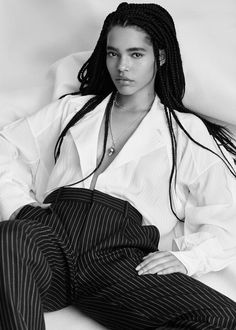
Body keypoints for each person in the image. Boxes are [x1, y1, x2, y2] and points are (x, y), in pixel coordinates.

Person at [0, 2, 236, 329]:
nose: (122, 66)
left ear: (161, 57)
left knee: (223, 317)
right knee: (9, 236)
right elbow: (5, 147)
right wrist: (21, 208)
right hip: (52, 237)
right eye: (114, 53)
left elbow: (224, 210)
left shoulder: (184, 131)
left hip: (119, 257)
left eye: (136, 54)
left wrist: (186, 259)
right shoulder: (73, 110)